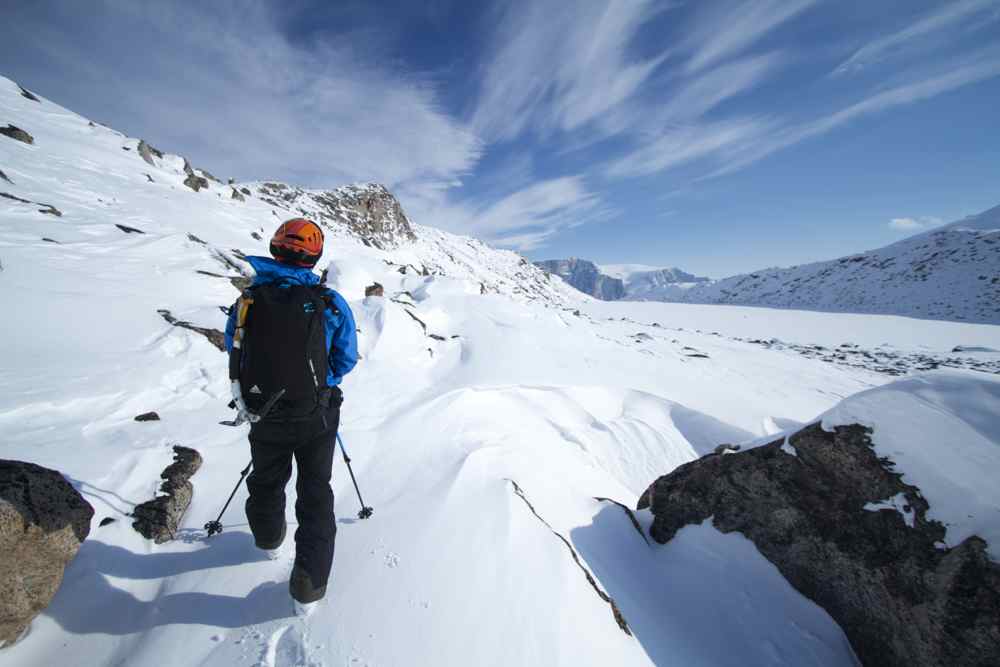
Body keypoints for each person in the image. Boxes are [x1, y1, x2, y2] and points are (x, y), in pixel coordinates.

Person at [224, 217, 359, 606]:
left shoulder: (248, 300)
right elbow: (346, 357)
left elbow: (234, 347)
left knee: (266, 478)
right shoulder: (329, 302)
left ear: (274, 248)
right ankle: (308, 584)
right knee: (315, 490)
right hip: (315, 414)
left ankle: (267, 538)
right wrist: (320, 383)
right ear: (314, 256)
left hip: (261, 410)